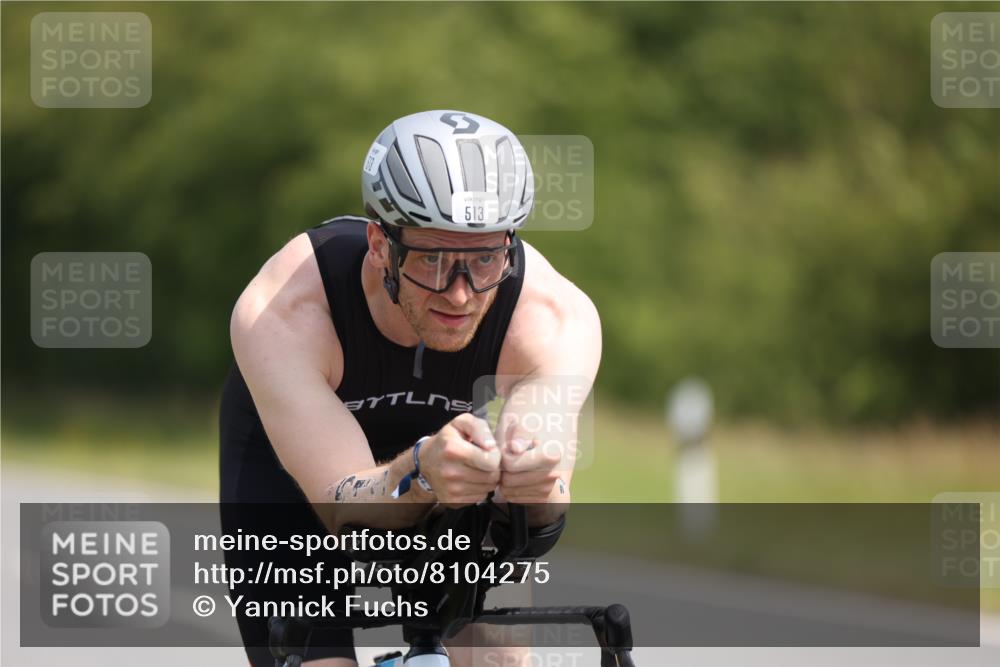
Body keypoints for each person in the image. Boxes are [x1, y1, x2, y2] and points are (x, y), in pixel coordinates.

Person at [219, 110, 602, 666]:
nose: (461, 293)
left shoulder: (551, 317)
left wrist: (533, 487)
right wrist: (419, 473)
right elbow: (343, 511)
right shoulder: (284, 311)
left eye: (485, 258)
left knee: (499, 660)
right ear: (380, 244)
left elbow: (536, 523)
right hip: (299, 475)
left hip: (446, 463)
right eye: (433, 259)